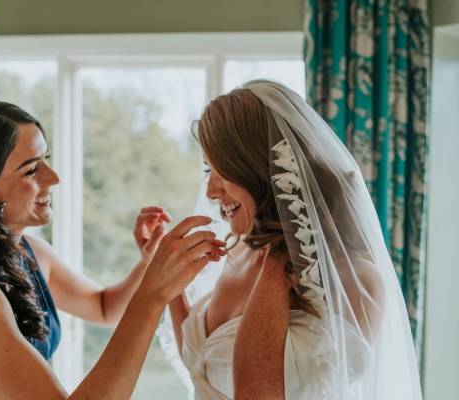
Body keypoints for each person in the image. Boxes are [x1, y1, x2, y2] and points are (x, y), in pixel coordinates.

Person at [0, 101, 227, 399]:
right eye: (32, 168)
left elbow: (104, 307)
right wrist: (152, 296)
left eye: (46, 160)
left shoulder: (28, 252)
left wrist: (148, 262)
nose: (54, 179)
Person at [165, 80, 422, 399]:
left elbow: (259, 392)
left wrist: (280, 253)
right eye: (208, 171)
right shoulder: (240, 253)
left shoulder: (352, 278)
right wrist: (168, 287)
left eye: (224, 172)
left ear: (261, 170)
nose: (211, 192)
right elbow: (200, 365)